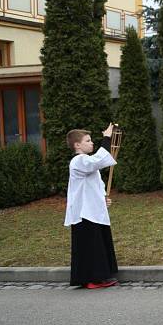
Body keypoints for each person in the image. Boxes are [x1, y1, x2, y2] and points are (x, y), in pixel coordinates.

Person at [65, 123, 119, 289]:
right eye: (87, 141)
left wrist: (103, 198)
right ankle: (92, 279)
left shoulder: (86, 162)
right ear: (77, 145)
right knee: (90, 246)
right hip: (84, 213)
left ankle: (99, 277)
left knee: (97, 244)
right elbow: (98, 160)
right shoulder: (78, 161)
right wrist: (107, 138)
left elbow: (94, 185)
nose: (91, 143)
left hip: (92, 211)